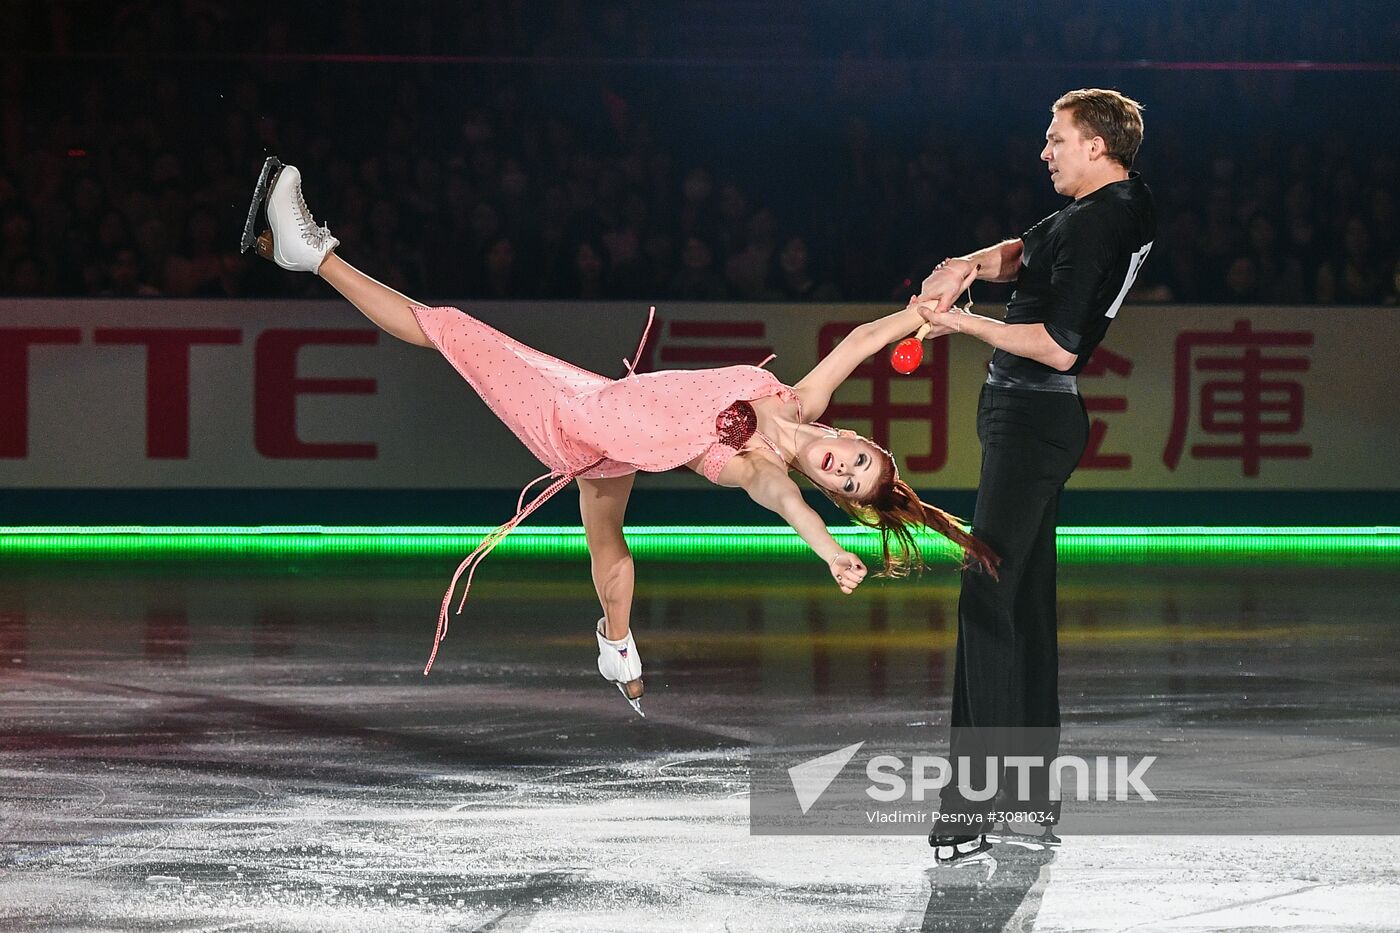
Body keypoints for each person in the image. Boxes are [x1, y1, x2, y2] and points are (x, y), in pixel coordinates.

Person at [240, 157, 998, 716]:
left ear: (832, 492)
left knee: (450, 329)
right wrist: (923, 315)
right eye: (860, 459)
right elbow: (862, 339)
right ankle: (617, 644)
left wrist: (827, 546)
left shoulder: (762, 462)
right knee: (615, 563)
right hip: (605, 412)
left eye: (845, 485)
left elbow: (778, 498)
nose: (843, 468)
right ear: (856, 434)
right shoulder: (797, 396)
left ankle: (314, 252)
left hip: (573, 422)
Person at [914, 89, 1156, 862]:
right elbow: (1025, 250)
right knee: (1022, 601)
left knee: (987, 594)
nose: (1044, 152)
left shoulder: (1099, 221)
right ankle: (1026, 795)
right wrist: (964, 266)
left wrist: (959, 320)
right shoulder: (1117, 203)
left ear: (1096, 146)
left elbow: (1055, 344)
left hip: (1032, 417)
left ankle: (972, 803)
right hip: (1033, 421)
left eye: (1056, 139)